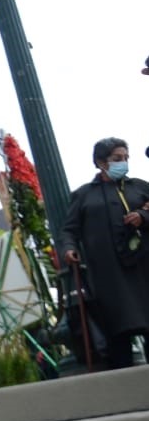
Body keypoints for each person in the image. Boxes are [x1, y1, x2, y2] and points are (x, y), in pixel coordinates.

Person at [60, 137, 149, 368]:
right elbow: (69, 230)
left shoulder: (140, 187)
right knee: (117, 336)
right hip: (108, 276)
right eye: (117, 158)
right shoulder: (84, 195)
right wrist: (69, 249)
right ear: (101, 162)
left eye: (126, 158)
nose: (123, 162)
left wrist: (143, 216)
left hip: (143, 268)